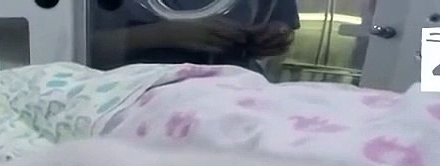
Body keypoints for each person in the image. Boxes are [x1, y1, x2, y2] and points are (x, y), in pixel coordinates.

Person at [89, 0, 300, 73]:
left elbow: (281, 24)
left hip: (231, 95)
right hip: (135, 96)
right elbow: (79, 51)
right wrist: (166, 35)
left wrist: (274, 37)